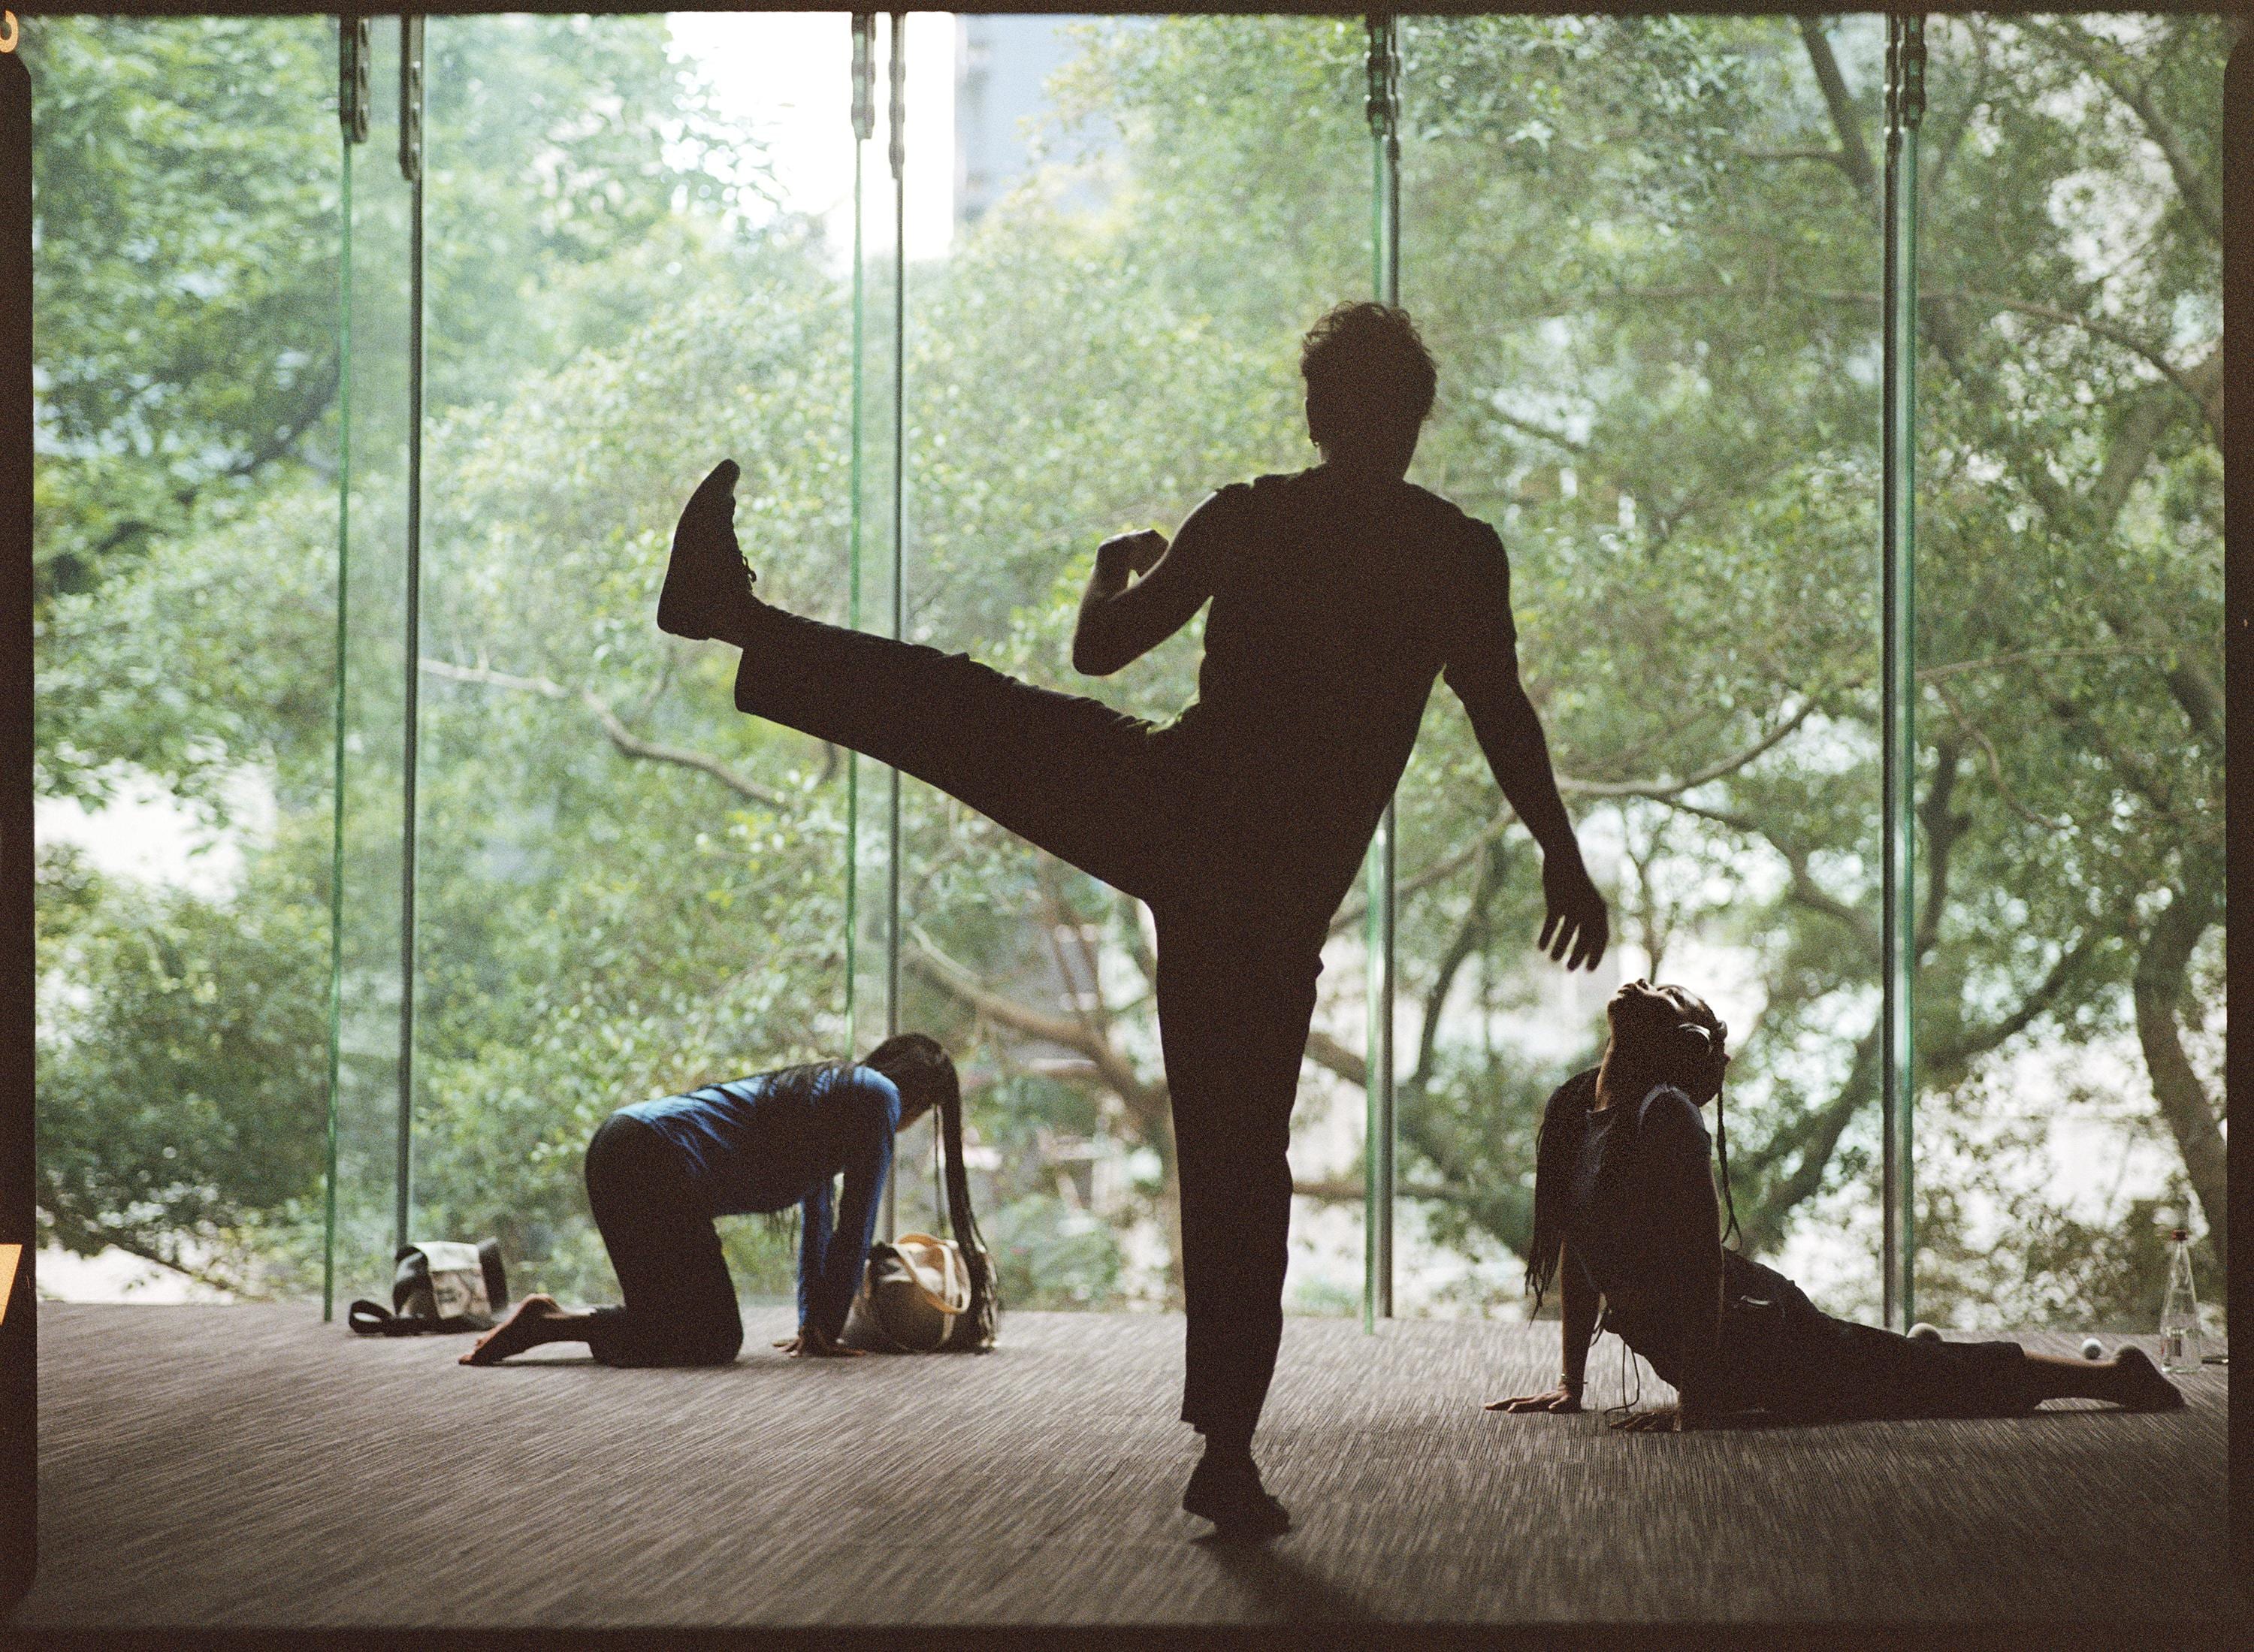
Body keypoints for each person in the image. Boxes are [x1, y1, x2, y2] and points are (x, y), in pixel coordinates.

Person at [657, 302, 1609, 1536]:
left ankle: (734, 615)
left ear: (1318, 413)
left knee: (964, 711)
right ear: (1414, 423)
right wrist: (1561, 857)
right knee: (1240, 1171)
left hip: (1172, 808)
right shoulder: (1456, 552)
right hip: (1267, 899)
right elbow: (1502, 712)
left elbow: (1103, 651)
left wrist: (1115, 565)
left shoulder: (1249, 514)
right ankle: (1227, 1449)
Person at [1488, 979, 2186, 1429]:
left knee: (1939, 1385)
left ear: (1675, 1043)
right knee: (1886, 1370)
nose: (1646, 984)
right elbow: (1580, 1253)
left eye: (1672, 996)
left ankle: (2116, 1377)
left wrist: (1695, 1399)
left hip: (1750, 1328)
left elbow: (1704, 1270)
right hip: (1697, 1346)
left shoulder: (1664, 1113)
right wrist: (1569, 1383)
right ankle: (1899, 1352)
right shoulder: (1577, 1106)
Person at [461, 1033, 984, 1368]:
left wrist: (813, 1323)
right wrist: (824, 1325)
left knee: (673, 1327)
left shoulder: (831, 1096)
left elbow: (819, 1220)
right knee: (712, 1339)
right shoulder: (877, 1098)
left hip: (618, 1150)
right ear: (919, 1099)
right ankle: (548, 1322)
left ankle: (548, 1321)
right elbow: (854, 1224)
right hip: (652, 1161)